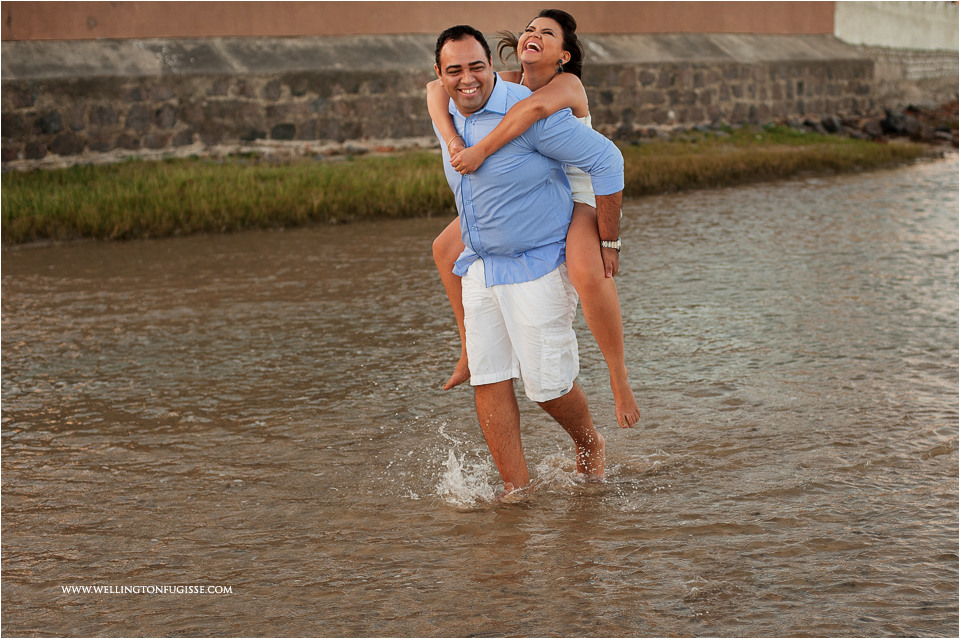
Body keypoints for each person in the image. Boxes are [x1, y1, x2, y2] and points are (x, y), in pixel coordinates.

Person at [430, 24, 628, 494]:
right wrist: (454, 139)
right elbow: (433, 96)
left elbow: (607, 160)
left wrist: (609, 239)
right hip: (480, 264)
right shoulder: (448, 106)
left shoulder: (531, 111)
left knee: (548, 387)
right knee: (489, 378)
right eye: (454, 70)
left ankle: (590, 443)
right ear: (440, 75)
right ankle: (517, 493)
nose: (467, 79)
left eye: (476, 67)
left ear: (492, 68)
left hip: (537, 263)